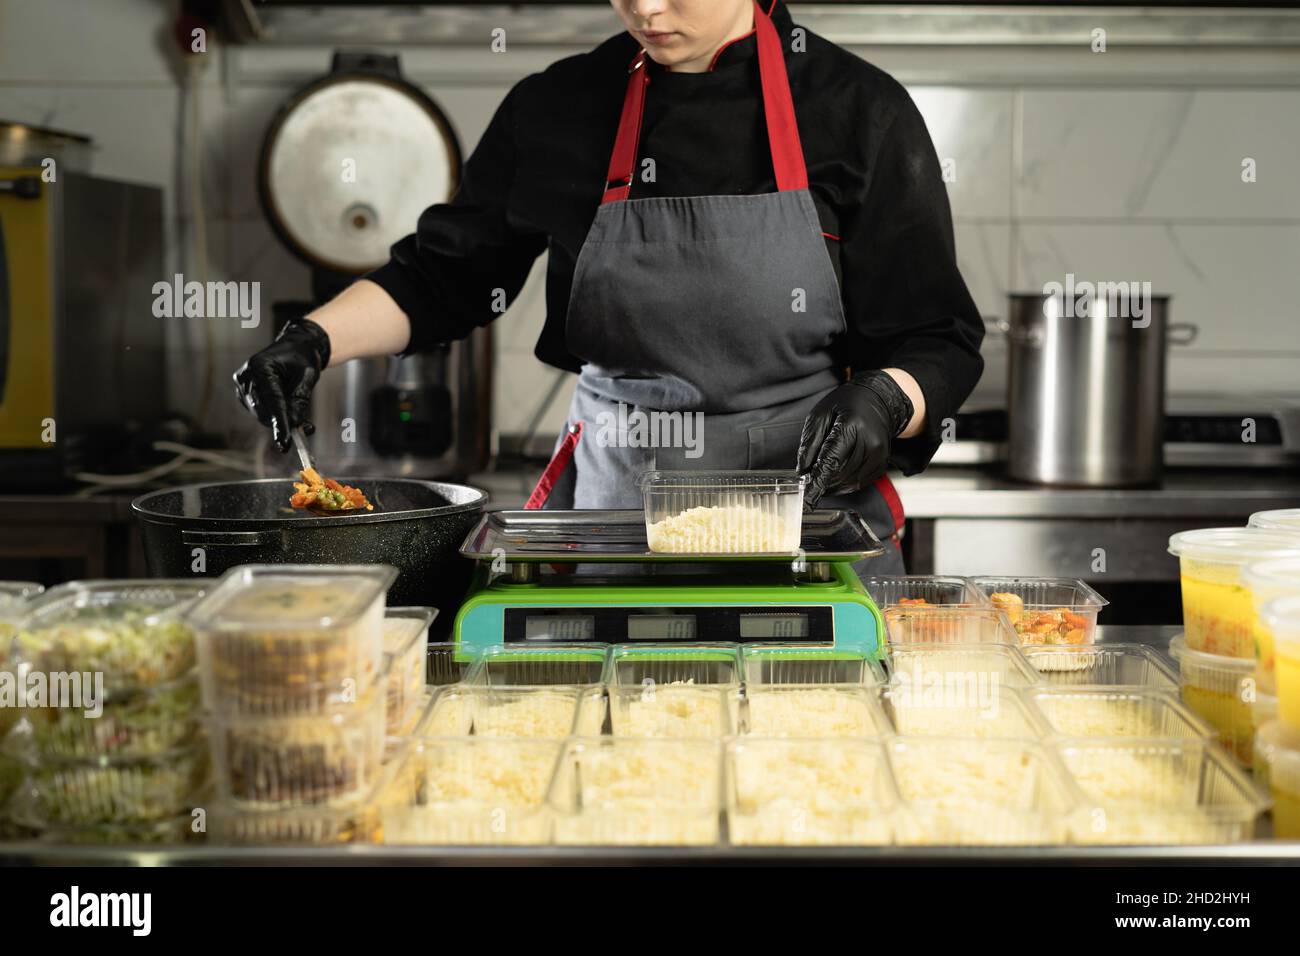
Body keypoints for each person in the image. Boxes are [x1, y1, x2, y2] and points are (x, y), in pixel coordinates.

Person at [235, 0, 984, 573]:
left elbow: (937, 339)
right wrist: (314, 339)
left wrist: (885, 400)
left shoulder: (858, 113)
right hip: (616, 535)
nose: (646, 10)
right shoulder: (562, 106)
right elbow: (444, 276)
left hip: (807, 534)